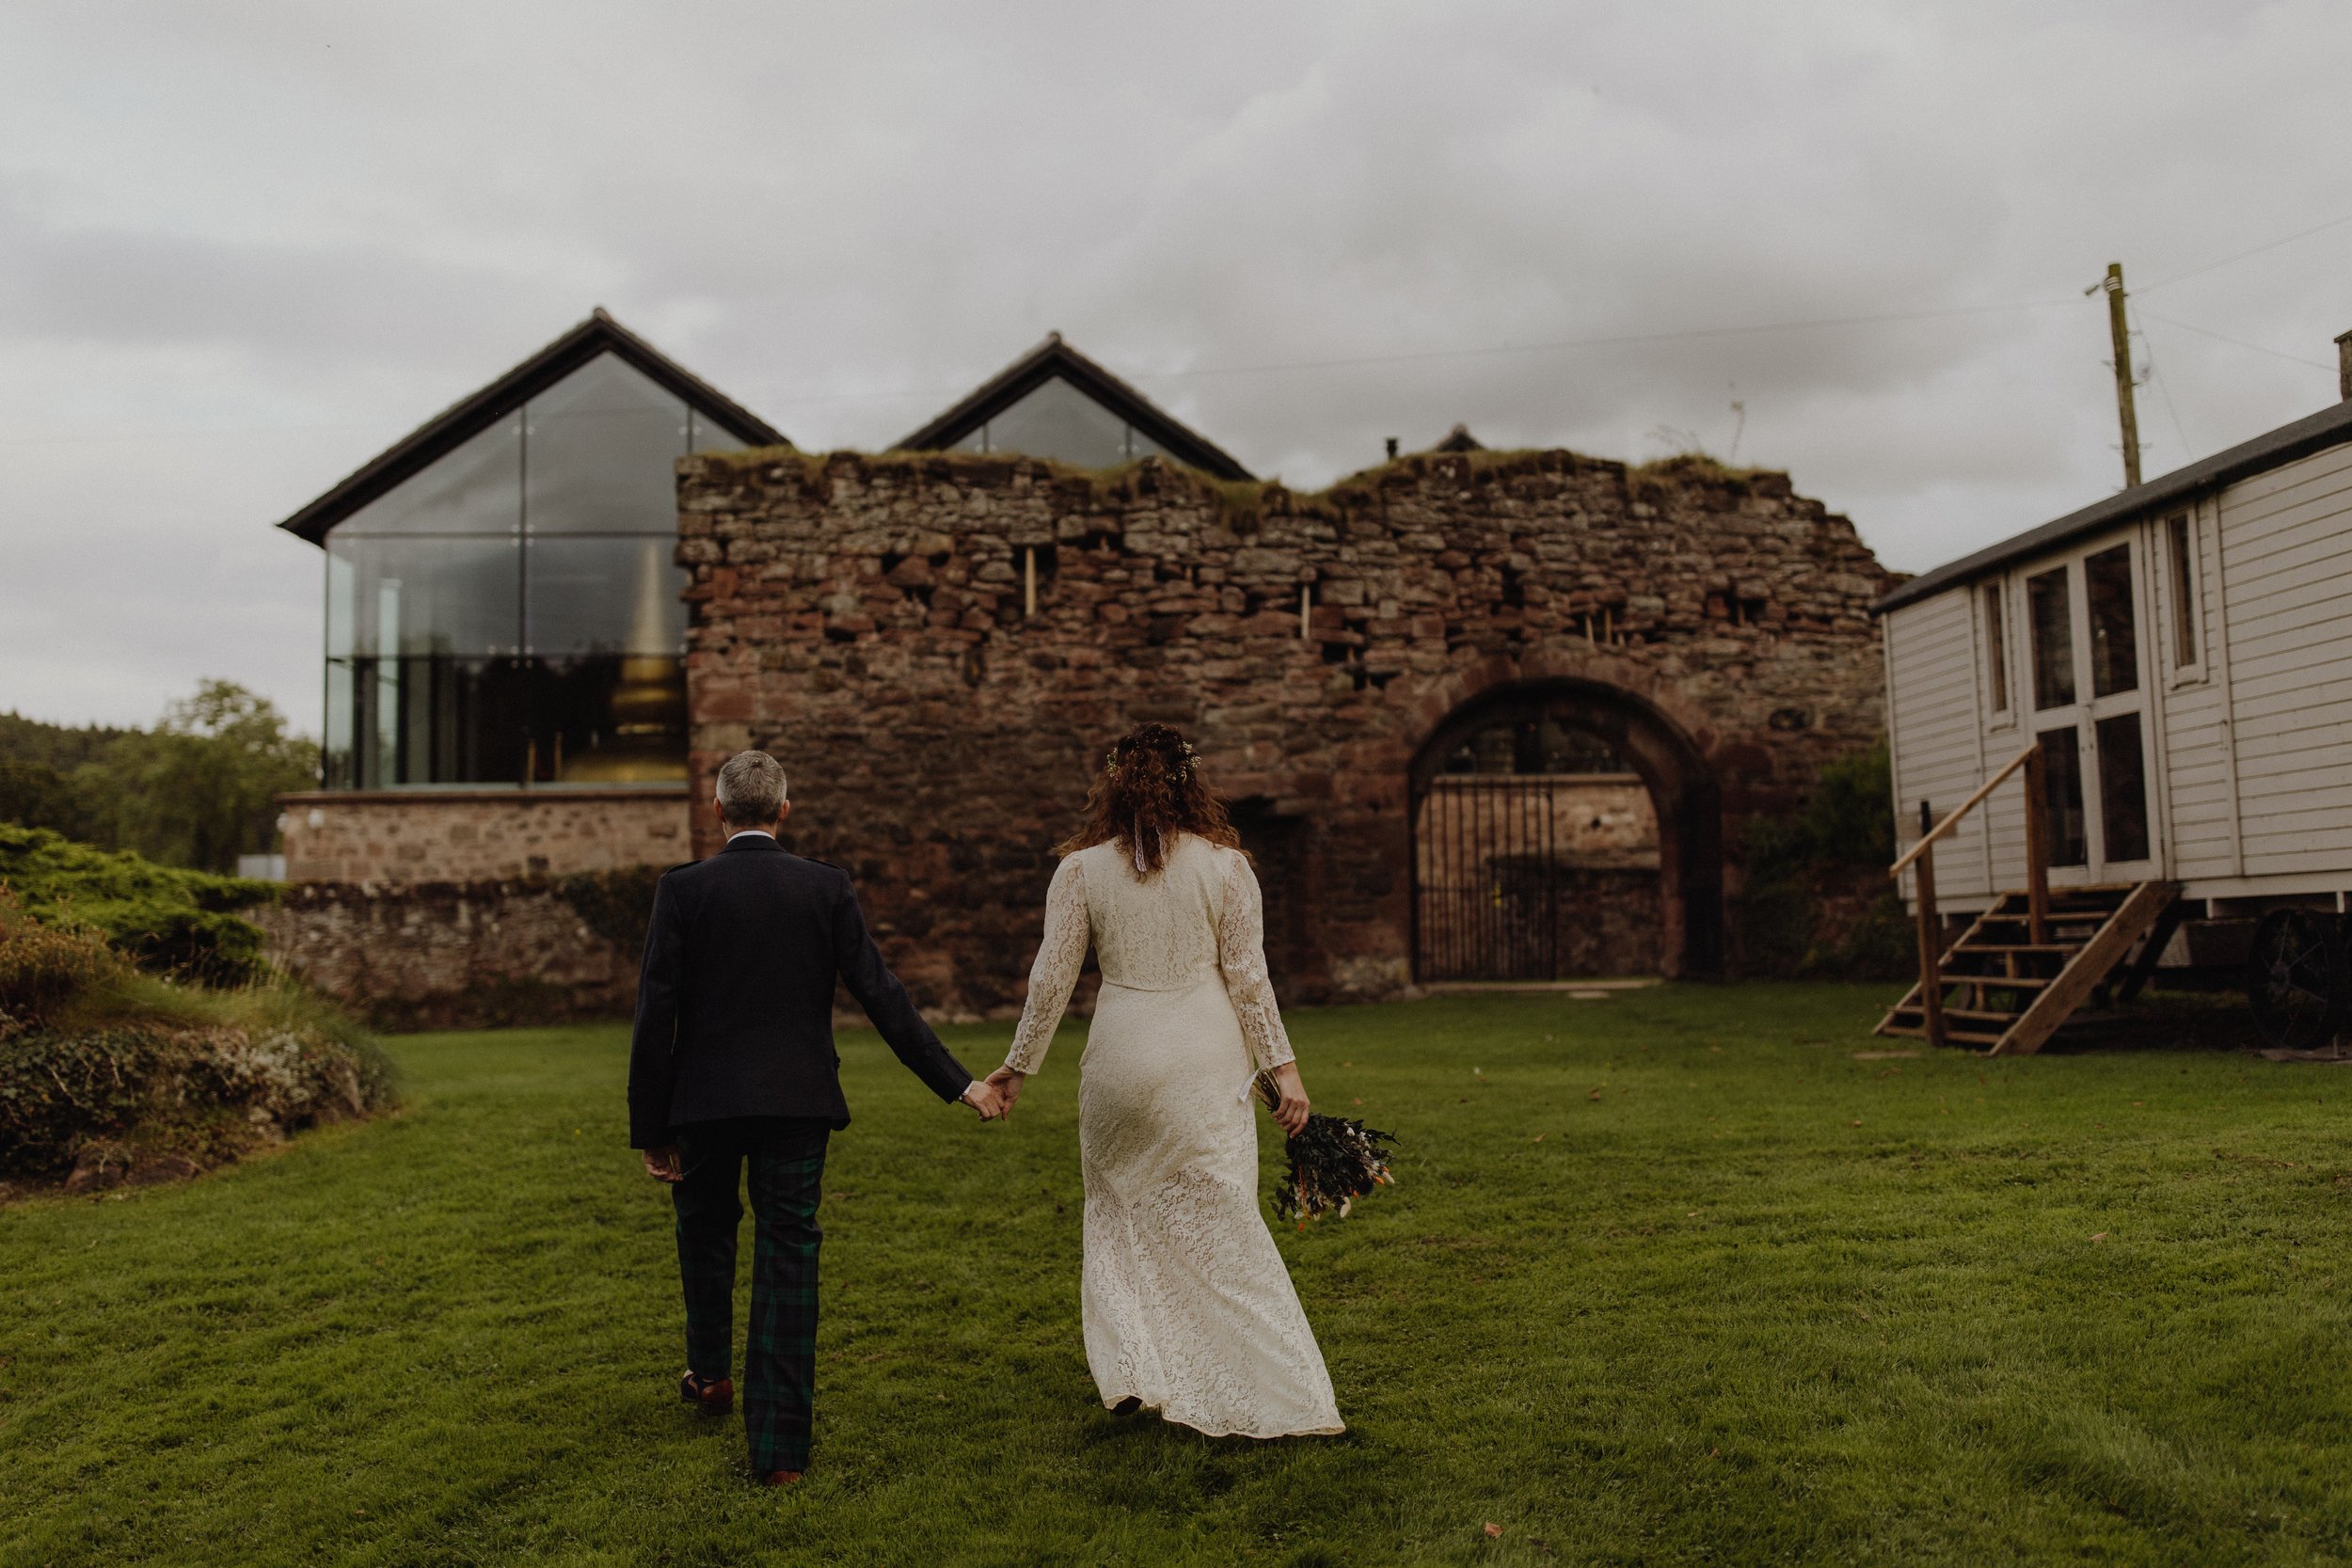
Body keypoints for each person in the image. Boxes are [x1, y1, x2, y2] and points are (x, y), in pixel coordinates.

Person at [628, 750, 1004, 1486]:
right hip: (797, 1105)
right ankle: (779, 1455)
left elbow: (654, 1015)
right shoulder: (823, 887)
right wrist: (959, 1084)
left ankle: (708, 1373)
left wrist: (652, 1125)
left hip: (702, 1106)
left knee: (704, 1235)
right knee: (788, 1258)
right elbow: (882, 994)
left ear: (718, 811)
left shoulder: (682, 889)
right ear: (784, 812)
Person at [985, 723, 1343, 1438]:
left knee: (1116, 1214)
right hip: (1203, 1059)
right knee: (1223, 1224)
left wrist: (1018, 1065)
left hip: (1120, 1059)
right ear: (1193, 783)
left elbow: (1050, 979)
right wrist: (1286, 1071)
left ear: (1112, 784)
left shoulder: (1080, 870)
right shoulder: (1227, 866)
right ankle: (1280, 1391)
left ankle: (1130, 1372)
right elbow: (1249, 980)